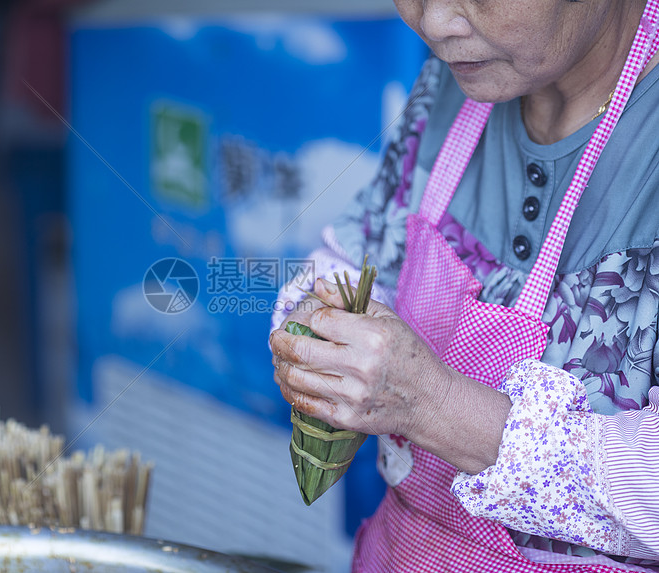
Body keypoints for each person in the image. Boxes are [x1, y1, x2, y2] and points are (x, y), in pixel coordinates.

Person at [269, 0, 659, 571]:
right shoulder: (454, 83)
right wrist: (323, 333)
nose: (433, 23)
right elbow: (354, 255)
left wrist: (437, 407)